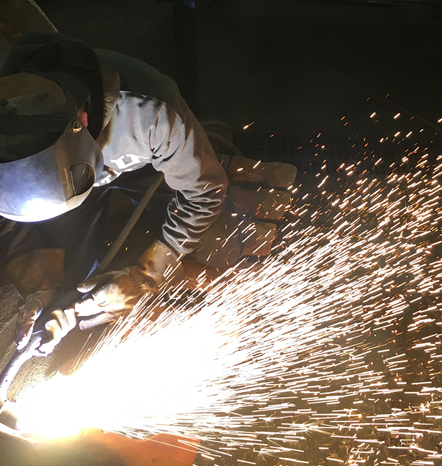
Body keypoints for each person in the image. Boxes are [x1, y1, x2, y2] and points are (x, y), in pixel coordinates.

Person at [0, 32, 295, 355]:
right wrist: (41, 291)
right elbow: (8, 213)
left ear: (83, 121)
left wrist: (144, 277)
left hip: (148, 166)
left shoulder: (151, 112)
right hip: (72, 180)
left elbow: (204, 194)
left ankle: (212, 150)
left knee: (220, 245)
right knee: (64, 281)